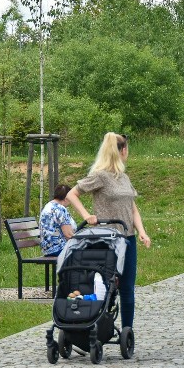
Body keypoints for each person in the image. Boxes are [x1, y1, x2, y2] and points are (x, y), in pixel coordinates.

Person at [65, 132, 151, 329]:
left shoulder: (124, 177)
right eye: (127, 148)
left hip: (127, 238)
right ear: (122, 150)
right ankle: (95, 325)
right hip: (107, 240)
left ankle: (127, 330)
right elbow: (72, 193)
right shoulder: (100, 176)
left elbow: (132, 207)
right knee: (104, 285)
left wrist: (142, 231)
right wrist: (87, 215)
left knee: (127, 287)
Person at [39, 184, 76, 257]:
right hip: (60, 249)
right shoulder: (60, 209)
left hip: (47, 249)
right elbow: (68, 235)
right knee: (88, 252)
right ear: (66, 198)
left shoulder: (48, 206)